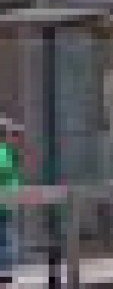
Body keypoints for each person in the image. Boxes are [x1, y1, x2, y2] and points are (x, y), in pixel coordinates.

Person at [0, 116, 23, 287]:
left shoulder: (10, 152)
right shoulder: (4, 153)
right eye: (12, 134)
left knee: (8, 242)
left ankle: (5, 276)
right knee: (6, 243)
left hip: (8, 206)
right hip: (4, 206)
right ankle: (4, 276)